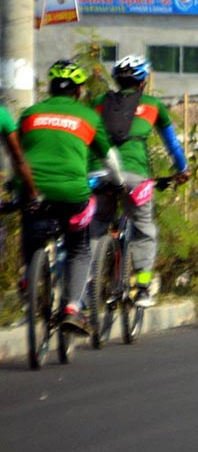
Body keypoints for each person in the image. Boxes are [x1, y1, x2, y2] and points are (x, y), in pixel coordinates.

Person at [18, 60, 126, 333]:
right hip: (72, 193)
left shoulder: (30, 113)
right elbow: (109, 158)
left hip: (34, 191)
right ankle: (72, 309)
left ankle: (28, 277)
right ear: (78, 91)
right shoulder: (87, 116)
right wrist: (119, 182)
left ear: (51, 88)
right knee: (79, 248)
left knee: (30, 229)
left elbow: (16, 157)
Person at [89, 55, 190, 308]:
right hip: (135, 176)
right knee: (143, 226)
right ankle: (143, 287)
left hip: (98, 172)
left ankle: (86, 280)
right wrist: (183, 169)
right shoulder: (153, 105)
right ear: (143, 82)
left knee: (97, 222)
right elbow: (172, 145)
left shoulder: (99, 103)